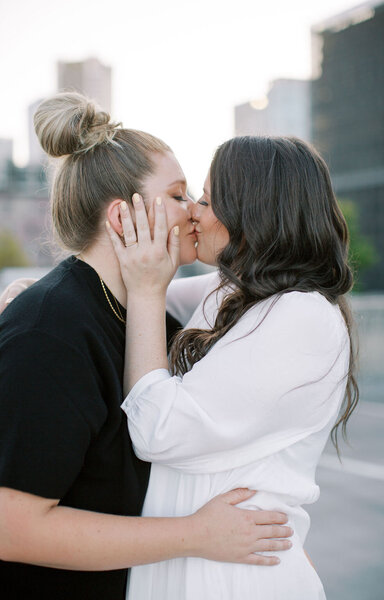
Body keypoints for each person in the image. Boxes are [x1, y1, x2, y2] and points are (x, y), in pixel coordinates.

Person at [0, 95, 293, 600]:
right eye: (179, 196)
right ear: (123, 218)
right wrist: (196, 536)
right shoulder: (49, 335)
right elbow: (11, 526)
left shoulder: (157, 317)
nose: (197, 212)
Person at [106, 135, 359, 600]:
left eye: (206, 198)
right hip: (197, 570)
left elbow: (158, 431)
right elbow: (109, 291)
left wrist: (145, 293)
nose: (194, 213)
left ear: (253, 210)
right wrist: (40, 292)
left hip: (238, 579)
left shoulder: (301, 317)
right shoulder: (233, 294)